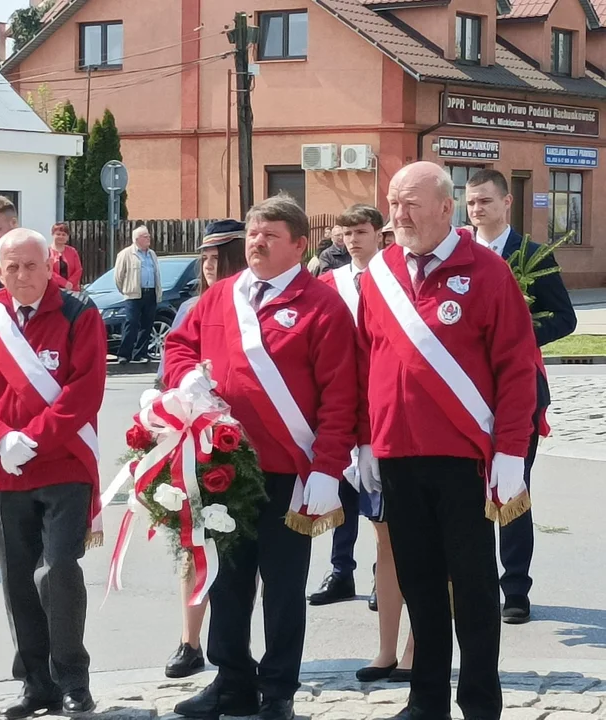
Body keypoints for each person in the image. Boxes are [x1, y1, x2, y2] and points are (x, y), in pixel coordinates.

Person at [165, 194, 357, 720]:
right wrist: (186, 379)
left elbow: (342, 397)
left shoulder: (323, 306)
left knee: (283, 586)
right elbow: (179, 345)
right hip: (226, 466)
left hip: (290, 471)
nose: (257, 242)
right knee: (227, 580)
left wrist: (327, 470)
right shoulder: (222, 295)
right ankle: (232, 681)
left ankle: (278, 691)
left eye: (270, 235)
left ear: (298, 245)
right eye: (253, 234)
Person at [357, 161, 538, 720]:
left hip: (464, 458)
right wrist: (363, 442)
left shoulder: (485, 271)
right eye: (392, 202)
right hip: (397, 453)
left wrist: (510, 450)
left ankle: (481, 701)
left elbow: (516, 366)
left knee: (476, 587)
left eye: (410, 203)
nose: (398, 214)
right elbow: (366, 360)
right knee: (420, 582)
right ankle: (426, 698)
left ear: (445, 207)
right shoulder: (380, 273)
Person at [0, 228, 107, 719]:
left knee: (58, 572)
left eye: (31, 266)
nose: (22, 275)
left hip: (64, 467)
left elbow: (84, 392)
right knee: (18, 580)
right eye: (12, 267)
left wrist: (32, 439)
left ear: (50, 265)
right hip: (4, 473)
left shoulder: (80, 314)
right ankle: (36, 685)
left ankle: (72, 680)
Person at [466, 168, 577, 624]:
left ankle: (515, 591)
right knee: (466, 495)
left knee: (513, 489)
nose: (476, 210)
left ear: (507, 203)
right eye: (470, 202)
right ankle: (472, 585)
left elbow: (564, 318)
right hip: (467, 393)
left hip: (518, 392)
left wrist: (519, 334)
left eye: (485, 202)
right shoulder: (459, 253)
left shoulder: (531, 254)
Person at [311, 204, 415, 682]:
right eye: (345, 232)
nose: (352, 239)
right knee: (376, 529)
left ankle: (419, 648)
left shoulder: (395, 276)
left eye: (361, 231)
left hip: (400, 419)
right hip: (352, 421)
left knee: (416, 541)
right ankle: (385, 647)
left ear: (380, 234)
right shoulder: (329, 284)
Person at [157, 219, 248, 680]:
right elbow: (168, 369)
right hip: (195, 442)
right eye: (205, 260)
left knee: (239, 554)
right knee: (195, 543)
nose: (210, 267)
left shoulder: (247, 301)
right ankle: (189, 640)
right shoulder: (191, 305)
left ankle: (238, 650)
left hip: (241, 444)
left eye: (219, 259)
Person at [114, 226, 162, 364]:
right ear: (136, 239)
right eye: (145, 236)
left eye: (148, 236)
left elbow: (156, 273)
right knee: (131, 323)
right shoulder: (126, 254)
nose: (149, 238)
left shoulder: (152, 254)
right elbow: (118, 276)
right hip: (133, 294)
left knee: (147, 325)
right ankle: (124, 354)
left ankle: (140, 353)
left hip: (150, 293)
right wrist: (126, 290)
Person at [49, 223, 83, 292]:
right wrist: (64, 283)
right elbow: (48, 271)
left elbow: (78, 270)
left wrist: (70, 283)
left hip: (72, 290)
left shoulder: (72, 251)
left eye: (64, 234)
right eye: (58, 234)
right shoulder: (47, 252)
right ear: (52, 235)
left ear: (67, 237)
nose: (61, 237)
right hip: (53, 291)